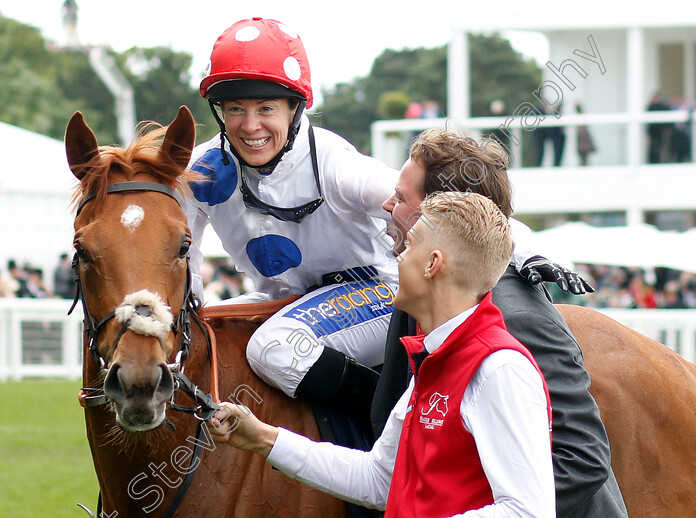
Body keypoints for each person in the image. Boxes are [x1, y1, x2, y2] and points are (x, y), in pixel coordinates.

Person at [208, 192, 555, 517]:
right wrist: (261, 437)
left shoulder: (499, 368)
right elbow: (378, 479)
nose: (398, 256)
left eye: (411, 244)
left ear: (433, 264)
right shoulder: (434, 358)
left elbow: (528, 511)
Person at [371, 129, 627, 517]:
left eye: (402, 197)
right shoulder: (423, 296)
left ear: (442, 218)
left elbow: (582, 460)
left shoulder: (515, 317)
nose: (388, 204)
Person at [185, 17, 400, 421]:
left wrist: (525, 253)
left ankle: (395, 422)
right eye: (235, 109)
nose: (250, 126)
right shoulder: (202, 169)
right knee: (211, 338)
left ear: (294, 108)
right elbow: (180, 252)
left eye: (266, 108)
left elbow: (438, 207)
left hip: (382, 295)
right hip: (289, 301)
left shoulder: (336, 164)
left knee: (274, 347)